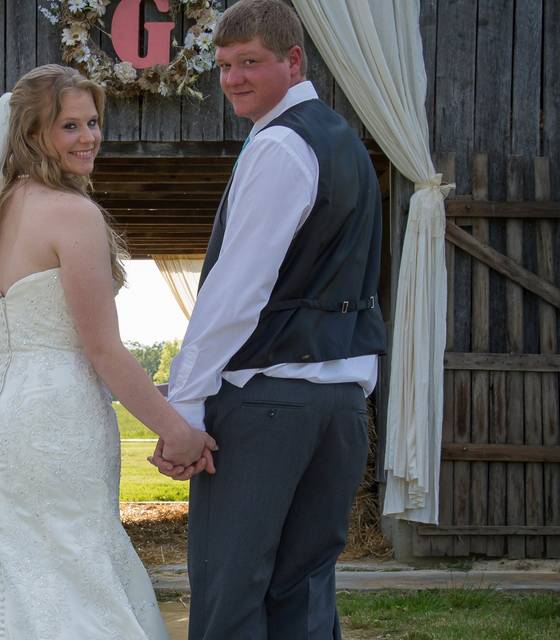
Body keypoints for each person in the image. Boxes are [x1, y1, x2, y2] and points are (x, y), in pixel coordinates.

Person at [0, 64, 216, 640]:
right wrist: (177, 431)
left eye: (93, 122)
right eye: (69, 126)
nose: (89, 137)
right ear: (31, 134)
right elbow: (103, 349)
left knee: (11, 564)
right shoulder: (74, 214)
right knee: (76, 557)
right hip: (57, 414)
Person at [149, 1, 387, 638]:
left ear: (293, 60)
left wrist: (187, 406)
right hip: (340, 408)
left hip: (267, 406)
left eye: (249, 62)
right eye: (224, 65)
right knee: (303, 595)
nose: (232, 79)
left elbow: (235, 292)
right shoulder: (345, 144)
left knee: (232, 592)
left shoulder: (280, 144)